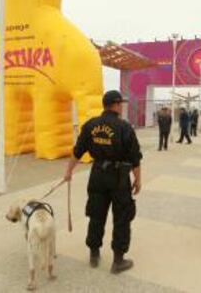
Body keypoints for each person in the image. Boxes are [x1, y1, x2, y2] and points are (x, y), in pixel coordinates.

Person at [64, 90, 142, 274]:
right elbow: (135, 158)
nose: (121, 107)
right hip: (119, 177)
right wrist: (138, 179)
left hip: (97, 174)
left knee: (96, 214)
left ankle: (94, 254)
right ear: (116, 105)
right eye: (120, 104)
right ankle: (118, 261)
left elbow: (77, 151)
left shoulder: (90, 125)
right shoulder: (125, 127)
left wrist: (68, 172)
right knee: (122, 217)